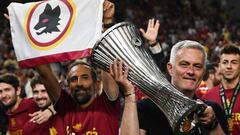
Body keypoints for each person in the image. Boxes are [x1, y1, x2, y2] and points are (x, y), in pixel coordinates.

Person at [110, 39, 229, 134]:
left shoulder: (212, 110)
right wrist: (129, 94)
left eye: (197, 66)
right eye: (184, 64)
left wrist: (213, 124)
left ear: (203, 72)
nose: (191, 71)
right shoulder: (146, 108)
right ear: (170, 69)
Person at [203, 44, 240, 135]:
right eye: (225, 62)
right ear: (219, 65)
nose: (229, 66)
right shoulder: (207, 96)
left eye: (234, 62)